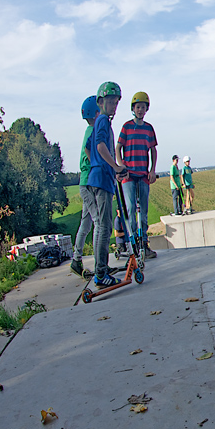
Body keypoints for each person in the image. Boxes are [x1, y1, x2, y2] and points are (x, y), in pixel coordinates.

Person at [87, 82, 127, 288]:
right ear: (100, 102)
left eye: (116, 102)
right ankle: (101, 273)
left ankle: (100, 270)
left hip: (100, 177)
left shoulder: (99, 122)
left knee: (101, 227)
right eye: (110, 101)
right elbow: (100, 146)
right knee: (104, 228)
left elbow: (89, 147)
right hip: (101, 179)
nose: (113, 106)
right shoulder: (102, 120)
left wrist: (110, 169)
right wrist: (115, 166)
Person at [116, 91, 158, 258]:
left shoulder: (148, 129)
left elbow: (153, 150)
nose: (141, 110)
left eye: (143, 107)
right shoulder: (126, 127)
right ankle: (132, 243)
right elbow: (118, 147)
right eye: (138, 107)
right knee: (131, 207)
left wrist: (153, 170)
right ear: (133, 108)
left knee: (144, 211)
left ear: (147, 109)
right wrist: (121, 165)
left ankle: (144, 244)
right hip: (128, 174)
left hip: (143, 174)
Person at [71, 96, 99, 279]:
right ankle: (100, 264)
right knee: (98, 222)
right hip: (89, 183)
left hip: (84, 183)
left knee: (86, 223)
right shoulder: (93, 132)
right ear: (97, 113)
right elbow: (92, 157)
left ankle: (76, 259)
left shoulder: (89, 130)